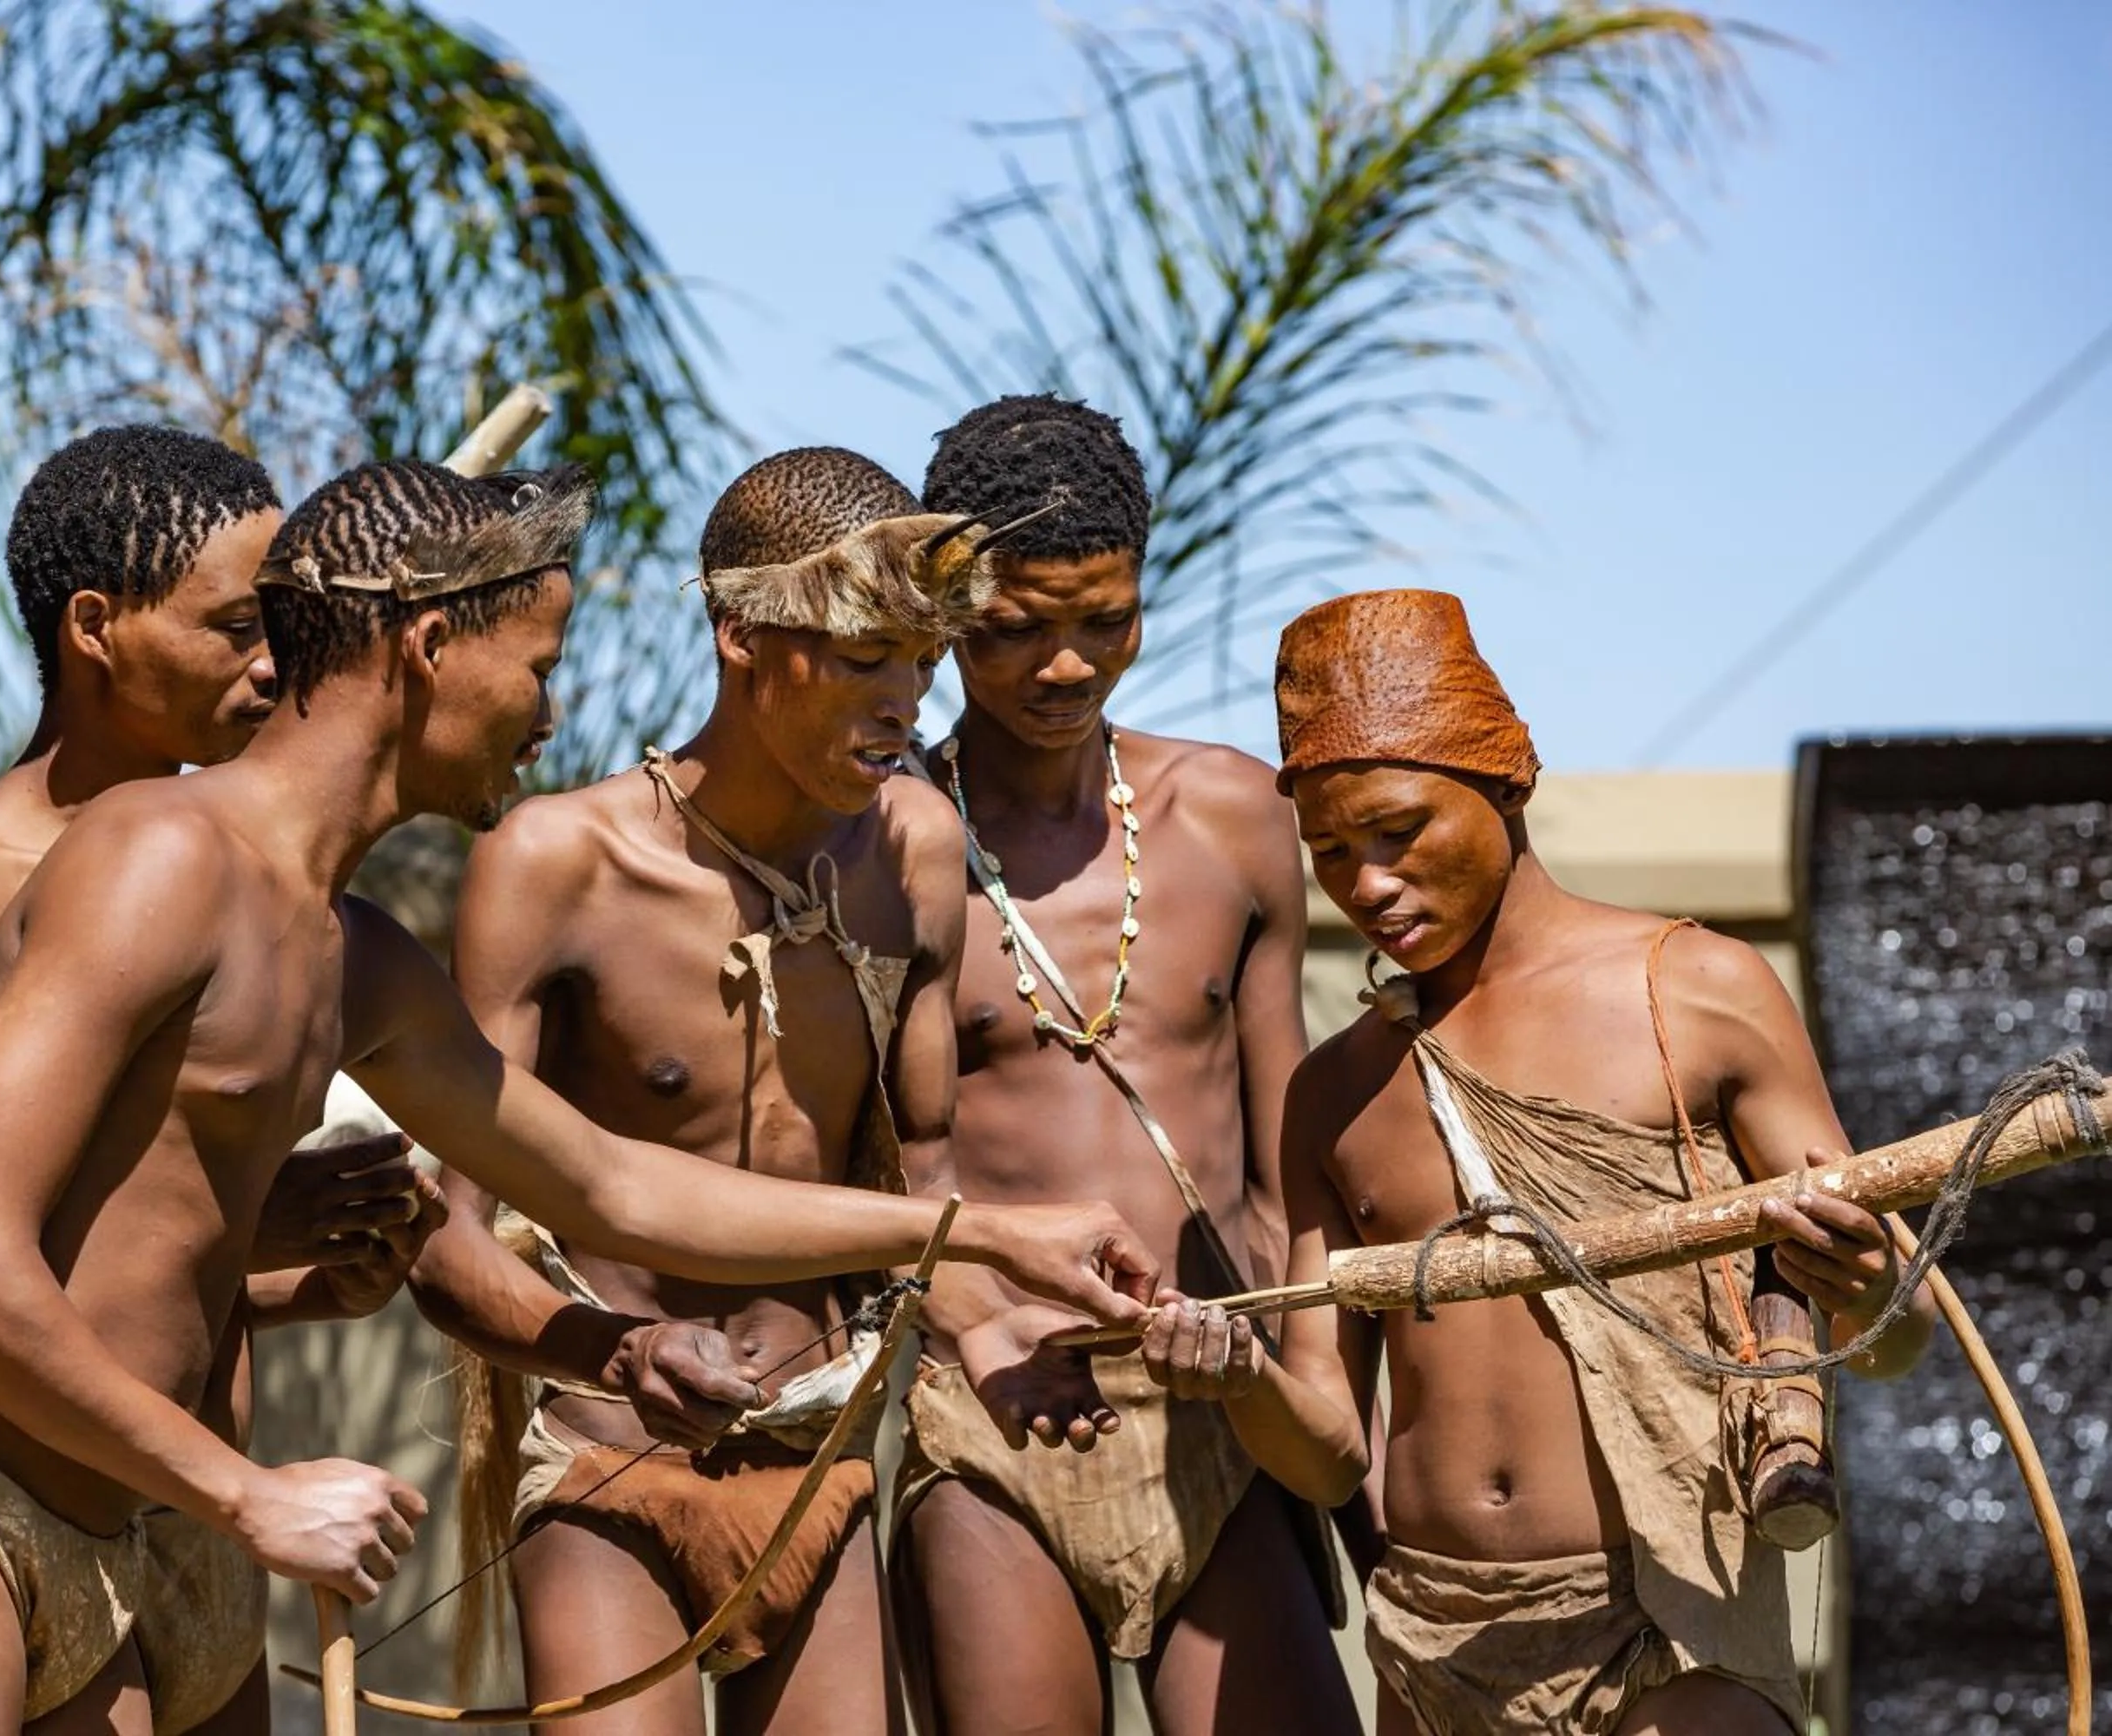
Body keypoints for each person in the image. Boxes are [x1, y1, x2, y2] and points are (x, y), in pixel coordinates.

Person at [0, 457, 1159, 1736]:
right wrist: (248, 1493)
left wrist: (979, 1237)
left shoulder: (354, 953)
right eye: (535, 665)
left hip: (133, 1531)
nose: (551, 714)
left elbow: (606, 1185)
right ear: (429, 645)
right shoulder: (161, 856)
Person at [1148, 587, 1929, 1735]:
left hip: (1681, 1632)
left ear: (1507, 782)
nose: (1367, 885)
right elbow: (1325, 1457)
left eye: (1399, 832)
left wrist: (1863, 1279)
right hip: (1436, 1640)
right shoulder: (1337, 1093)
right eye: (1332, 853)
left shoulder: (1694, 993)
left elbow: (1900, 1334)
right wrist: (1240, 1379)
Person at [0, 424, 433, 1736]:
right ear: (96, 625)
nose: (270, 665)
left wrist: (279, 1274)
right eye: (233, 627)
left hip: (183, 1540)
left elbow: (120, 1249)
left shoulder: (252, 885)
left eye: (287, 630)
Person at [408, 445, 1019, 1734]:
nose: (905, 699)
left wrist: (1028, 1331)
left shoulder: (913, 850)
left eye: (922, 661)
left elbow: (929, 1175)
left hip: (816, 1442)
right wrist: (619, 1352)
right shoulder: (558, 862)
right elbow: (446, 1241)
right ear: (743, 636)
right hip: (600, 1450)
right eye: (865, 658)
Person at [887, 396, 1359, 1736]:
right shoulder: (886, 846)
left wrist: (1304, 1387)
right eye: (1015, 628)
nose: (1067, 667)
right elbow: (887, 1162)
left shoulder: (1234, 819)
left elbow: (1287, 1159)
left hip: (1225, 1401)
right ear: (944, 607)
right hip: (996, 1409)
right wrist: (969, 1331)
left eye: (1106, 621)